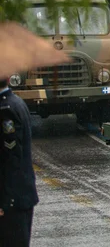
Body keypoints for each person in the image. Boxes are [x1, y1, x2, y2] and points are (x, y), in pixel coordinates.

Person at [0, 78, 39, 247]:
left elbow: (10, 158)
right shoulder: (16, 102)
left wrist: (3, 201)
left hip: (11, 201)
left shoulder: (5, 109)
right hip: (20, 195)